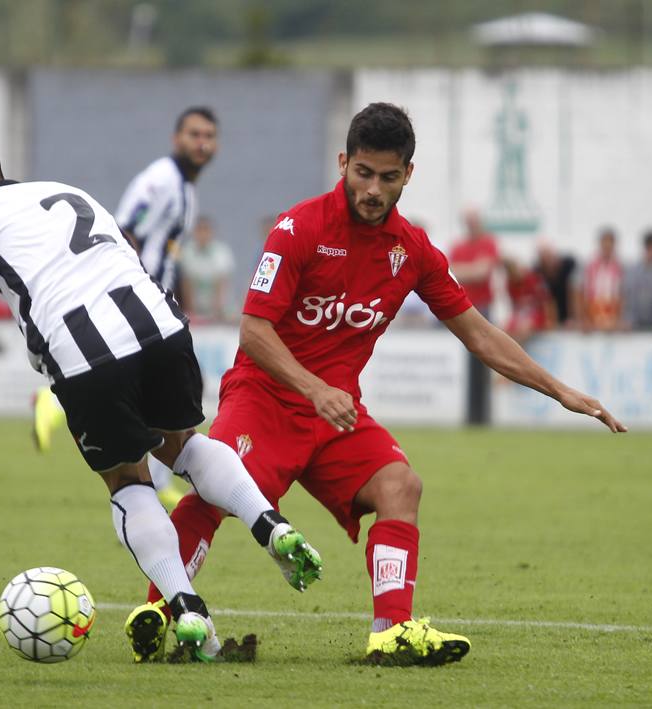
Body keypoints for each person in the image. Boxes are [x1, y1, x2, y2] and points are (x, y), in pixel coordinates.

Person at [125, 102, 626, 667]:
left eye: (388, 177)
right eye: (363, 173)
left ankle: (391, 632)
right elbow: (254, 330)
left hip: (335, 415)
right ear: (343, 163)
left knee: (401, 486)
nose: (373, 189)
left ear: (407, 175)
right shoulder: (298, 229)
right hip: (265, 397)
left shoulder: (410, 250)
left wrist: (562, 391)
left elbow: (481, 335)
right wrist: (314, 388)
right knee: (214, 496)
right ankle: (161, 613)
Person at [0, 133, 322, 663]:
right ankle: (271, 525)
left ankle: (189, 608)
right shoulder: (62, 191)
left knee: (128, 480)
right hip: (161, 328)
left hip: (88, 359)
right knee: (184, 447)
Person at [32, 107, 220, 507]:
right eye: (194, 134)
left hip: (150, 302)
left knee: (151, 397)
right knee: (163, 393)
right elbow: (125, 230)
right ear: (176, 138)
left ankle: (157, 481)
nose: (202, 143)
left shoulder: (185, 188)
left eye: (209, 136)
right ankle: (52, 400)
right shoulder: (161, 179)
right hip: (134, 304)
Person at [179, 215, 236, 323]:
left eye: (206, 230)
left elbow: (222, 283)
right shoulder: (187, 252)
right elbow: (186, 284)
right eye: (199, 230)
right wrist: (191, 311)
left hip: (220, 312)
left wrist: (217, 312)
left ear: (211, 232)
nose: (202, 234)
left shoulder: (222, 252)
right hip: (195, 311)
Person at [449, 208, 499, 318]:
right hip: (461, 303)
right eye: (469, 221)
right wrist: (473, 269)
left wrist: (461, 270)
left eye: (474, 221)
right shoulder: (457, 246)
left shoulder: (488, 243)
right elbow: (451, 273)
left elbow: (481, 274)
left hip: (482, 306)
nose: (472, 224)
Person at [577, 228, 623, 331]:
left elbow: (622, 295)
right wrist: (583, 319)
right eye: (604, 242)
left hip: (612, 319)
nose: (607, 246)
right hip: (592, 316)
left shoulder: (620, 267)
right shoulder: (589, 266)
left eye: (610, 243)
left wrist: (619, 319)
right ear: (600, 244)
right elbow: (581, 293)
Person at [533, 241, 577, 327]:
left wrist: (573, 318)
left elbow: (574, 293)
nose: (548, 261)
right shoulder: (538, 273)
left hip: (568, 311)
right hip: (554, 314)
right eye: (544, 258)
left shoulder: (568, 266)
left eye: (549, 257)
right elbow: (546, 298)